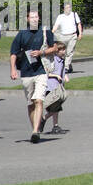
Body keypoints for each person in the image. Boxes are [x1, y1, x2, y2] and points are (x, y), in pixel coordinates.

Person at [9, 10, 62, 144]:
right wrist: (13, 69)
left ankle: (35, 131)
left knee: (39, 100)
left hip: (41, 71)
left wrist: (41, 52)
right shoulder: (22, 34)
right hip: (26, 73)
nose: (34, 19)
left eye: (36, 17)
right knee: (30, 103)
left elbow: (55, 48)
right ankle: (35, 129)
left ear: (38, 19)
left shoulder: (45, 31)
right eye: (31, 17)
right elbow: (13, 53)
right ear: (27, 19)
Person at [52, 2, 83, 73]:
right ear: (63, 9)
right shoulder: (60, 16)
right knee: (63, 52)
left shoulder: (74, 14)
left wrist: (80, 33)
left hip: (73, 36)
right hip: (63, 36)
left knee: (70, 52)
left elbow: (79, 24)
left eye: (69, 7)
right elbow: (56, 26)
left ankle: (66, 67)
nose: (68, 9)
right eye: (67, 8)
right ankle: (67, 64)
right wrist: (51, 32)